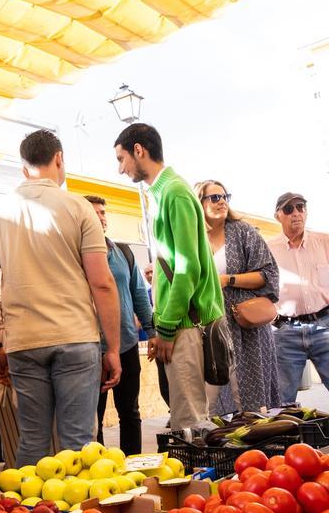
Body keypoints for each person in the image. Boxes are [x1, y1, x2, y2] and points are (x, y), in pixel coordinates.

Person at [0, 130, 120, 465]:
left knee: (32, 439)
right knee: (78, 441)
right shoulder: (79, 208)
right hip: (76, 336)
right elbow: (102, 283)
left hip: (24, 340)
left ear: (23, 168)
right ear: (59, 159)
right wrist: (112, 348)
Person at [114, 123, 223, 430]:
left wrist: (165, 327)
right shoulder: (164, 193)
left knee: (190, 426)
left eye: (121, 159)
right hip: (182, 323)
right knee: (187, 422)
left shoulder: (173, 192)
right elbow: (177, 266)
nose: (121, 169)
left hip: (187, 324)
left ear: (139, 150)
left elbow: (188, 269)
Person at [198, 180, 280, 414]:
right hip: (212, 325)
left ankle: (257, 443)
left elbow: (268, 273)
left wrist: (227, 280)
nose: (221, 201)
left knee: (253, 402)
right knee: (213, 398)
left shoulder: (243, 231)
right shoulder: (194, 238)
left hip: (246, 325)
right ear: (200, 203)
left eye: (225, 196)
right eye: (214, 197)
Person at [84, 195, 154, 454]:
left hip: (126, 344)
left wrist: (153, 331)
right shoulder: (74, 255)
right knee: (94, 419)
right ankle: (101, 471)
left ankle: (133, 466)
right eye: (94, 213)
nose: (101, 218)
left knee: (130, 412)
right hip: (92, 349)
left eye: (103, 212)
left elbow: (139, 294)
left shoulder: (122, 251)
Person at [267, 192, 329, 403]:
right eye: (288, 209)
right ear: (278, 216)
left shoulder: (325, 242)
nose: (296, 213)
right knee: (281, 404)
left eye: (300, 207)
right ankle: (288, 437)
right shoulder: (268, 249)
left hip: (325, 327)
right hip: (285, 333)